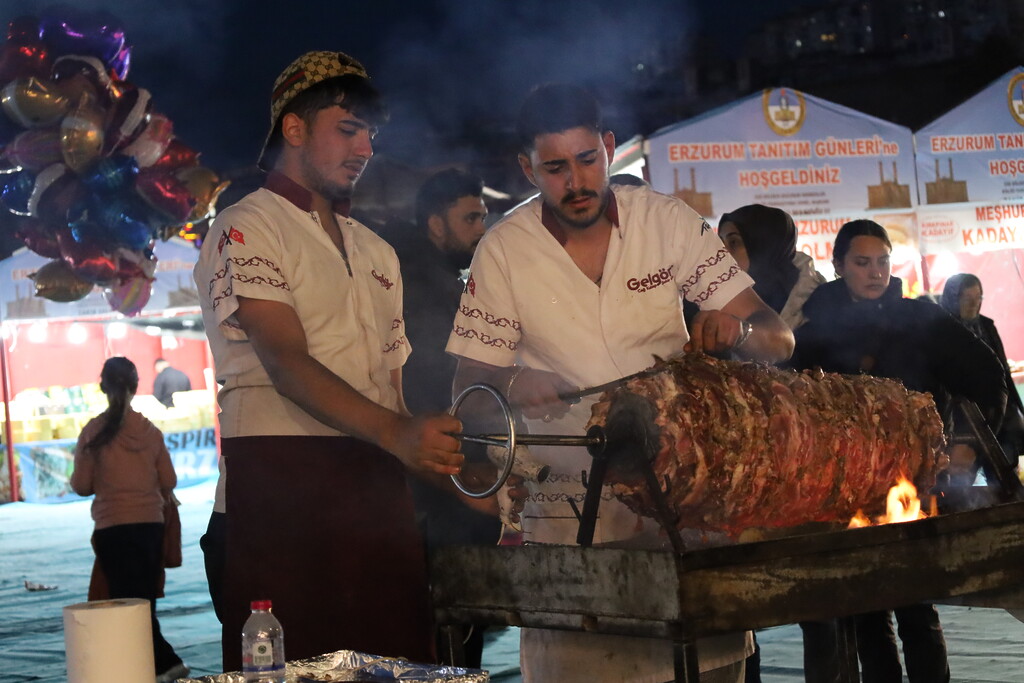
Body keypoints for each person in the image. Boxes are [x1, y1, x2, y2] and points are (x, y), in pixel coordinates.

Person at [446, 83, 795, 683]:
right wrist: (512, 379)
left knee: (705, 665)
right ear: (528, 168)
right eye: (555, 168)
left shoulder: (667, 223)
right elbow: (468, 391)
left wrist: (734, 333)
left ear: (609, 149)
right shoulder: (503, 250)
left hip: (682, 501)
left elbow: (779, 338)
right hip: (566, 514)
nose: (576, 182)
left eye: (587, 160)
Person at [193, 51, 464, 670]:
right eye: (348, 128)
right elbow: (285, 362)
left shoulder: (377, 251)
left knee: (395, 665)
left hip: (378, 498)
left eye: (371, 132)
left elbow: (391, 397)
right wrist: (398, 433)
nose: (366, 147)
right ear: (293, 128)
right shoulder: (245, 225)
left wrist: (467, 485)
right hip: (280, 495)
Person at [792, 220, 1007, 683]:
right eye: (862, 262)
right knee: (865, 607)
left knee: (915, 604)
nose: (875, 272)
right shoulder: (815, 326)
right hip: (847, 488)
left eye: (883, 262)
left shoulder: (920, 320)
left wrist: (966, 450)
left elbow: (989, 379)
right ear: (839, 266)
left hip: (915, 481)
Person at [716, 204, 827, 683]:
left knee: (822, 602)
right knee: (735, 602)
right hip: (743, 476)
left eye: (734, 242)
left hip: (811, 472)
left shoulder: (820, 306)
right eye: (718, 242)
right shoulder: (711, 306)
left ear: (763, 245)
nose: (722, 253)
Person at [398, 168, 500, 667]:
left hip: (454, 481)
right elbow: (428, 393)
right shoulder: (420, 289)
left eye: (483, 216)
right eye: (471, 218)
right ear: (435, 224)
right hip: (438, 487)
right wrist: (462, 481)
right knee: (447, 639)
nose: (482, 227)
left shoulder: (444, 282)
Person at [69, 357, 189, 683]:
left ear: (102, 386)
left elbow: (80, 486)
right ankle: (157, 665)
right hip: (151, 526)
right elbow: (170, 478)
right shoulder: (149, 431)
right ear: (136, 387)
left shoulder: (93, 433)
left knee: (126, 604)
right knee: (142, 602)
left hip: (113, 529)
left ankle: (166, 664)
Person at [941, 273, 1024, 466]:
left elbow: (1002, 369)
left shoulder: (986, 326)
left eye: (979, 298)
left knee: (1005, 472)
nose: (974, 304)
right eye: (967, 298)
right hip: (962, 421)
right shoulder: (943, 331)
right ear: (953, 298)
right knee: (964, 476)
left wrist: (1013, 406)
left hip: (997, 415)